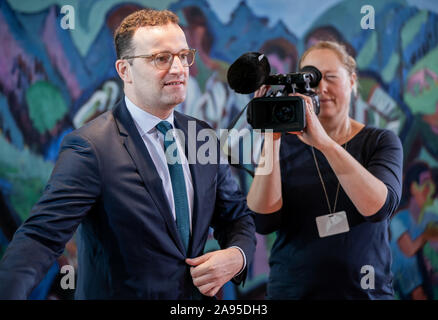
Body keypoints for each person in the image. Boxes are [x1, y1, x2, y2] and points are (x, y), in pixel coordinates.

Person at [0, 9, 256, 300]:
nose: (178, 68)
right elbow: (40, 239)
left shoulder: (202, 136)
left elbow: (236, 217)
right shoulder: (90, 147)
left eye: (183, 55)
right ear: (124, 70)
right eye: (161, 58)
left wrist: (237, 255)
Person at [247, 41, 403, 299]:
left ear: (352, 81)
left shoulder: (380, 142)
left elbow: (378, 208)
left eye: (330, 77)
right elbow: (263, 221)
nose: (321, 88)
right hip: (293, 293)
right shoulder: (280, 145)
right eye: (311, 79)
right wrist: (271, 138)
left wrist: (324, 143)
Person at [390, 161, 438, 300]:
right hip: (400, 285)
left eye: (431, 183)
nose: (430, 188)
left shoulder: (430, 218)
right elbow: (408, 250)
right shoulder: (399, 220)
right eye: (425, 182)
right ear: (413, 188)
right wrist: (427, 234)